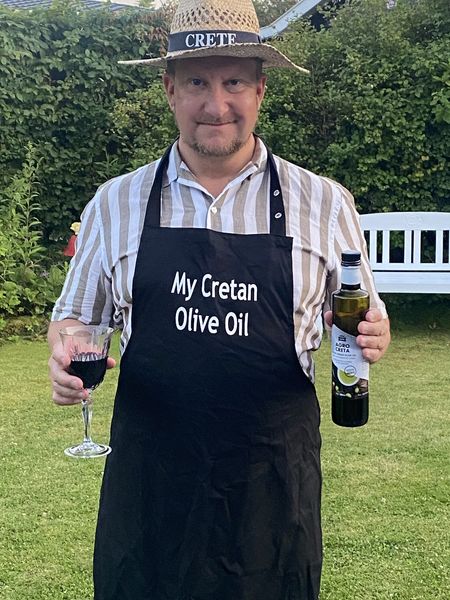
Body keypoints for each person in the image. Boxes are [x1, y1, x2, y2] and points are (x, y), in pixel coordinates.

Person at [48, 1, 391, 598]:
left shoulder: (324, 202)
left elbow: (362, 312)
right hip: (151, 486)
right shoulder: (115, 202)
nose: (216, 104)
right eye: (196, 83)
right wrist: (63, 353)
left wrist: (374, 332)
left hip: (272, 485)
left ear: (260, 89)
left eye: (233, 81)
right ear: (169, 90)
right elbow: (75, 318)